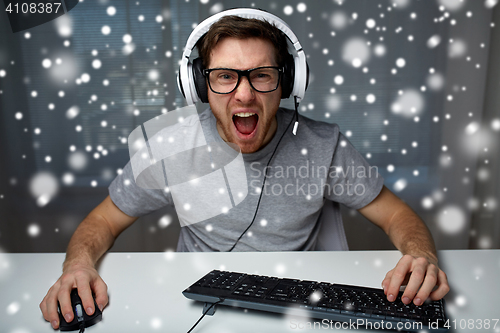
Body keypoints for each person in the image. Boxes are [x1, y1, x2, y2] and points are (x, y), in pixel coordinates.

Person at [40, 10, 449, 330]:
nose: (244, 93)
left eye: (261, 75)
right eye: (224, 77)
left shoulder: (325, 145)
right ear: (200, 86)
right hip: (199, 305)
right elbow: (102, 221)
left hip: (299, 307)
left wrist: (421, 254)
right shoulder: (170, 146)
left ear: (287, 82)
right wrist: (77, 267)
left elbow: (397, 214)